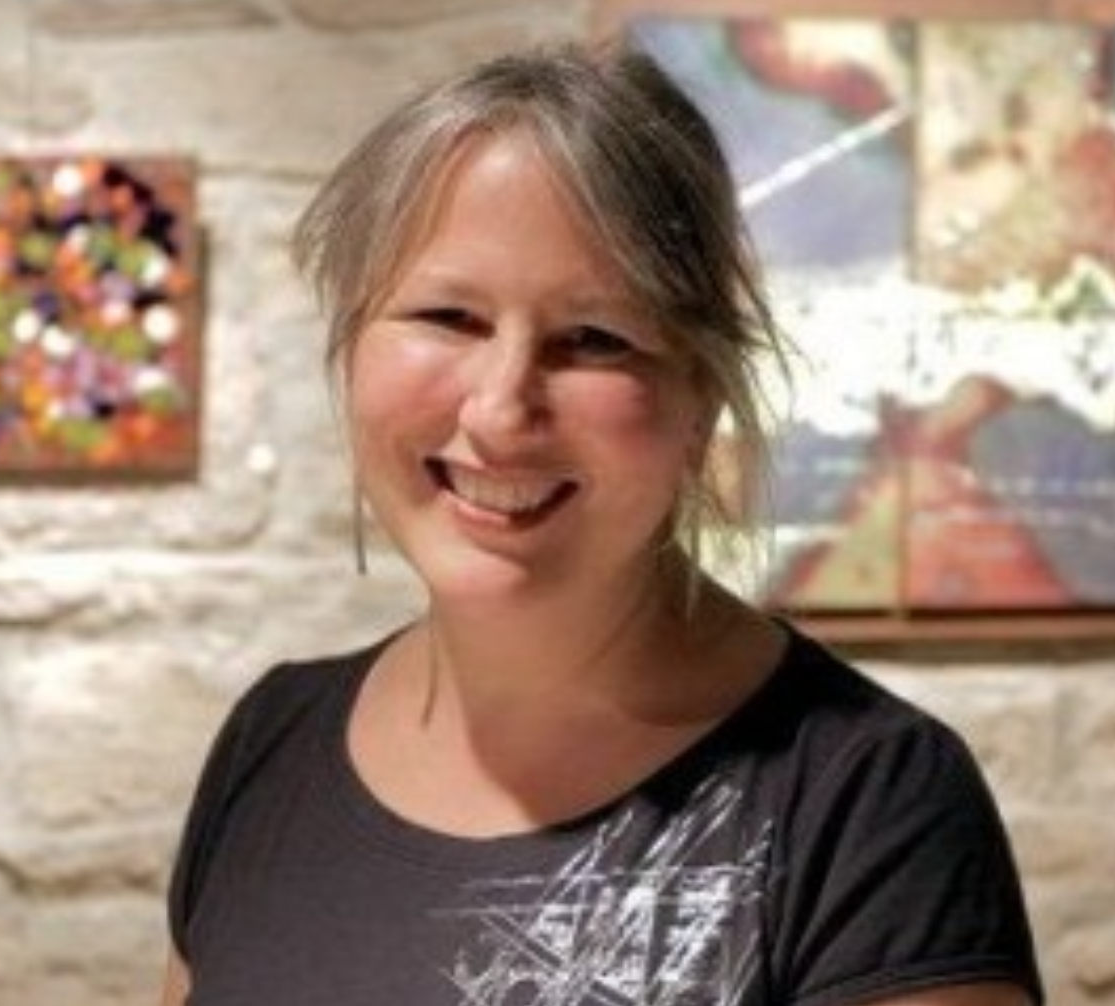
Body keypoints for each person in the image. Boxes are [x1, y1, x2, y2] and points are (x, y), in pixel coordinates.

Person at [159, 40, 1044, 1006]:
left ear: (702, 395)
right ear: (351, 344)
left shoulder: (867, 802)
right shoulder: (270, 744)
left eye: (593, 340)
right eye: (450, 316)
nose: (501, 411)